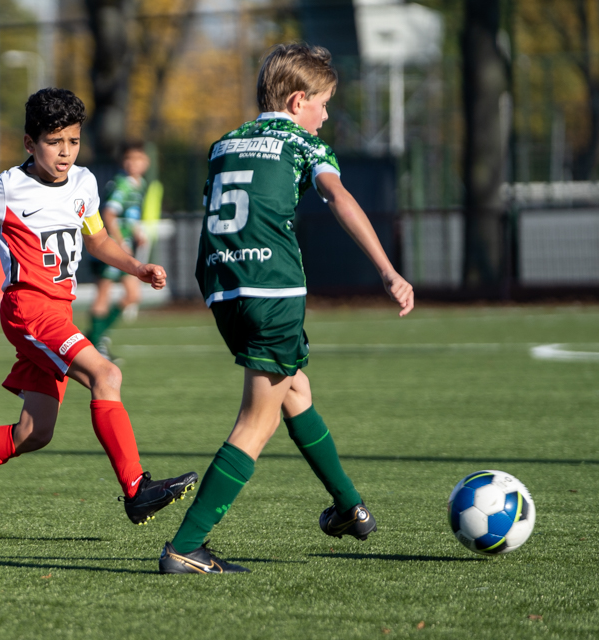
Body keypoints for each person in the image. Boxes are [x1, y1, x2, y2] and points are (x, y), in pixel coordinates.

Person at [158, 44, 415, 574]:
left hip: (223, 288)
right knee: (257, 422)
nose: (326, 116)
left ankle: (350, 510)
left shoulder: (224, 143)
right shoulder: (302, 142)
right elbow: (338, 197)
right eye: (323, 104)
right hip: (272, 290)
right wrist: (387, 269)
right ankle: (185, 546)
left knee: (295, 391)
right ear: (299, 101)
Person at [0, 88, 197, 529]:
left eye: (73, 141)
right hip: (27, 309)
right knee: (106, 375)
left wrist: (136, 268)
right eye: (54, 142)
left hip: (59, 312)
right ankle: (136, 490)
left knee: (34, 432)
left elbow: (97, 238)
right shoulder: (8, 188)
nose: (65, 153)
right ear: (29, 143)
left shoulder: (84, 182)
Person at [86, 141, 151, 361]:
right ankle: (95, 342)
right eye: (129, 159)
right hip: (111, 248)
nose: (134, 163)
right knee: (103, 293)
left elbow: (128, 216)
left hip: (125, 247)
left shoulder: (139, 184)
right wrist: (121, 242)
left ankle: (94, 337)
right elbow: (109, 214)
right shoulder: (122, 184)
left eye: (138, 158)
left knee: (133, 295)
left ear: (146, 162)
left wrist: (137, 232)